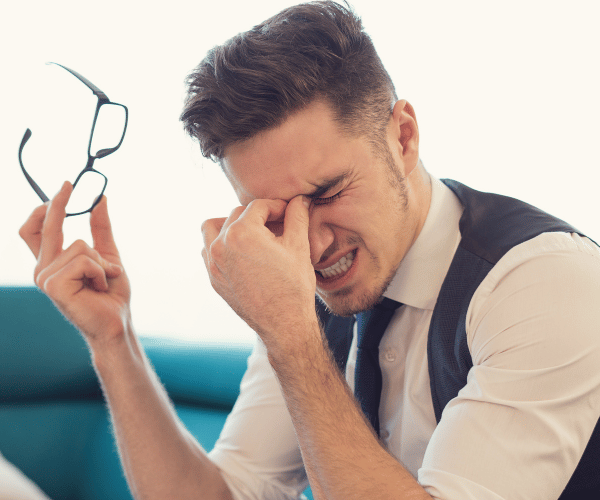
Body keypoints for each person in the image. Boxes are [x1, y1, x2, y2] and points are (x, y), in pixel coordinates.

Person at [19, 1, 600, 499]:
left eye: (329, 192)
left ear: (402, 137)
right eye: (270, 213)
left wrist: (292, 338)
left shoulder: (544, 280)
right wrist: (112, 339)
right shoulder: (300, 296)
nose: (310, 245)